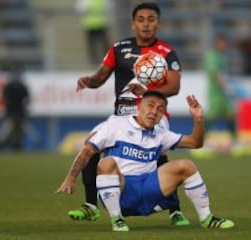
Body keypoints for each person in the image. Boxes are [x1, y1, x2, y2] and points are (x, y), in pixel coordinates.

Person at [68, 2, 188, 226]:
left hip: (152, 114)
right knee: (92, 145)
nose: (145, 24)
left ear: (158, 23)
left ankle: (175, 209)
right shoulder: (118, 48)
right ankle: (91, 206)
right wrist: (89, 81)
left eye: (151, 20)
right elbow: (101, 77)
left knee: (159, 156)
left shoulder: (167, 53)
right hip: (123, 116)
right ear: (133, 24)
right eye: (141, 20)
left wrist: (147, 92)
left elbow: (173, 87)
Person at [56, 91, 235, 231]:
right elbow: (87, 150)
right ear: (139, 107)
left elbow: (196, 143)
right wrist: (71, 177)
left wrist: (198, 119)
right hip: (122, 190)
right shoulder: (116, 126)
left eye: (160, 109)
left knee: (187, 165)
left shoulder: (161, 134)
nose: (154, 112)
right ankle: (117, 219)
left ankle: (207, 218)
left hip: (149, 189)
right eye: (150, 105)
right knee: (106, 162)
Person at [200, 34, 235, 154]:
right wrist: (225, 87)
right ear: (217, 43)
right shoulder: (212, 56)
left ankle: (234, 141)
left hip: (223, 92)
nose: (224, 45)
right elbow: (215, 74)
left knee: (231, 114)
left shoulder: (223, 57)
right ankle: (201, 142)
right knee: (212, 116)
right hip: (215, 92)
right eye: (222, 43)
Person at [0, 68, 30, 151]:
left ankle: (17, 146)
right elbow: (5, 99)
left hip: (20, 114)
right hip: (10, 114)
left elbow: (27, 100)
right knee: (6, 131)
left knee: (18, 133)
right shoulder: (8, 88)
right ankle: (1, 145)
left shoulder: (23, 87)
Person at [76, 0, 112, 65]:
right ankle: (105, 60)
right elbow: (109, 8)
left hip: (92, 24)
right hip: (99, 24)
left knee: (94, 45)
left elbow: (80, 9)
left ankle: (95, 60)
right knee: (102, 44)